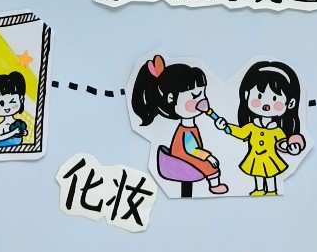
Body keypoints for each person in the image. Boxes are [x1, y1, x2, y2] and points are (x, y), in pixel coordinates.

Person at [131, 54, 227, 195]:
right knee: (210, 166)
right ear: (171, 98)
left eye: (203, 94)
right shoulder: (186, 131)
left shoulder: (190, 127)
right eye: (195, 96)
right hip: (183, 156)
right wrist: (208, 156)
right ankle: (214, 185)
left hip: (187, 154)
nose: (202, 100)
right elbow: (192, 150)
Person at [212, 60, 305, 196]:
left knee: (271, 174)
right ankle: (259, 189)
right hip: (255, 157)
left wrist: (290, 147)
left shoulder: (277, 130)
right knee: (257, 174)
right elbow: (241, 133)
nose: (266, 105)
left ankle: (272, 190)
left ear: (289, 103)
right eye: (259, 96)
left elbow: (281, 142)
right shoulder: (251, 127)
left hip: (270, 158)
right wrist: (226, 127)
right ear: (246, 96)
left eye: (275, 99)